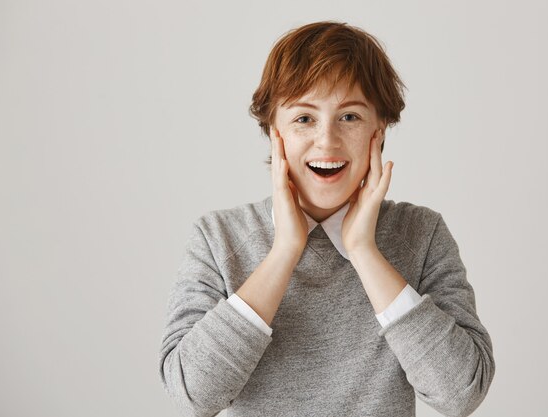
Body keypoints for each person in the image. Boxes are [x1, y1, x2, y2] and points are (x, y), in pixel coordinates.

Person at [158, 21, 495, 417]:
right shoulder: (218, 238)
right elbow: (192, 395)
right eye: (304, 118)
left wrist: (365, 252)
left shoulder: (421, 234)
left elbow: (461, 394)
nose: (327, 141)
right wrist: (284, 251)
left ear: (379, 129)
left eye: (349, 117)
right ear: (273, 132)